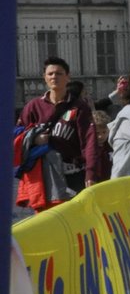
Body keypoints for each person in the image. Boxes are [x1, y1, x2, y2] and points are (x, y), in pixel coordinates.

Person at [19, 55, 101, 195]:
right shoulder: (34, 106)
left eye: (59, 73)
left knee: (75, 215)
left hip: (73, 175)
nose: (54, 77)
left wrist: (90, 173)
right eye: (50, 74)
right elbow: (17, 135)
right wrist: (34, 139)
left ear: (67, 77)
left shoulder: (80, 107)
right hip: (43, 176)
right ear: (44, 77)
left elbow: (89, 141)